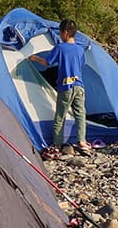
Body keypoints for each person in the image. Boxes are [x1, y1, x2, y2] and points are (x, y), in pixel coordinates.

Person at [31, 19, 90, 156]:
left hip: (66, 86)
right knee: (80, 114)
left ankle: (57, 143)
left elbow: (47, 62)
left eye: (60, 33)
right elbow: (80, 66)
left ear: (64, 32)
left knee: (60, 116)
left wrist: (34, 59)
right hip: (79, 86)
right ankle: (82, 141)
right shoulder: (80, 49)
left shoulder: (60, 48)